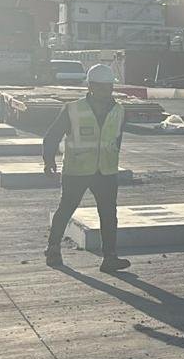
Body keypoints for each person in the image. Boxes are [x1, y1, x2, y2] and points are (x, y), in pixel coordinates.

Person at [44, 64, 129, 272]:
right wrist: (48, 160)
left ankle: (109, 257)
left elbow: (116, 139)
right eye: (100, 86)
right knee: (66, 209)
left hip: (106, 171)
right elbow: (52, 136)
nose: (104, 91)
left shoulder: (119, 110)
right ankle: (53, 249)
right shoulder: (73, 109)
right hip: (77, 170)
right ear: (90, 86)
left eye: (108, 87)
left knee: (109, 214)